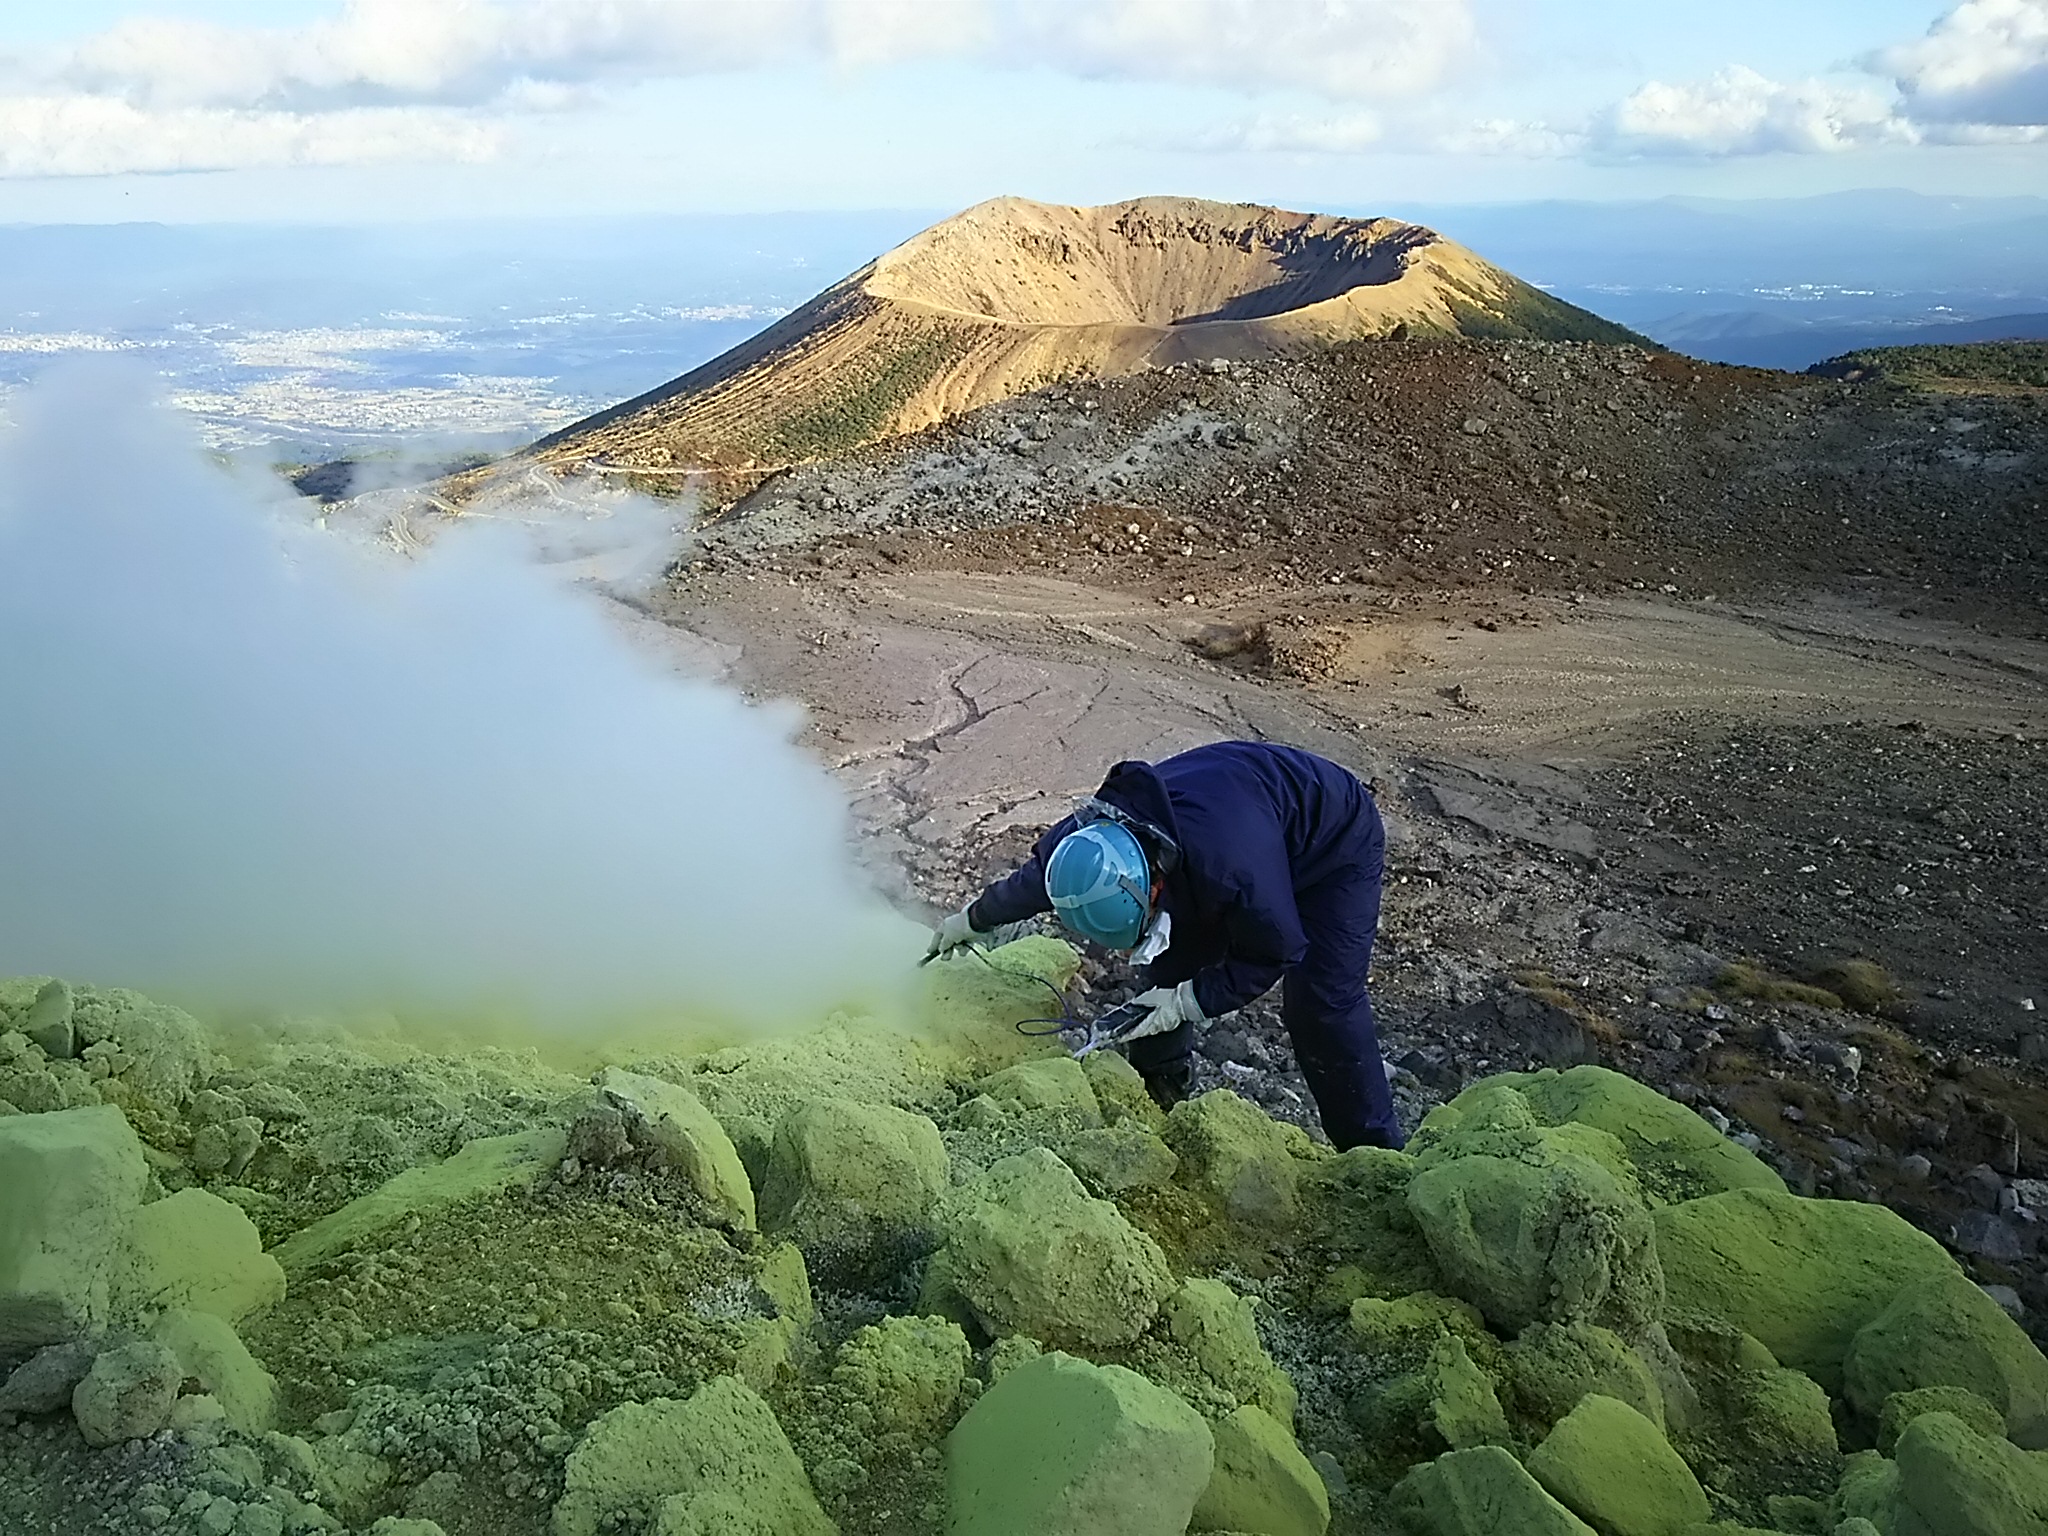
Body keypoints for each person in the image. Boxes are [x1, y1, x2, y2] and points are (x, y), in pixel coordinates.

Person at [926, 740, 1401, 1150]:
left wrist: (1189, 1002)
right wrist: (971, 919)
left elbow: (1274, 950)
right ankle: (1162, 1094)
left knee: (1320, 1003)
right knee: (1168, 962)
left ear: (1151, 885)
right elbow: (1036, 884)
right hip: (1238, 822)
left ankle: (1374, 1150)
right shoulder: (1086, 848)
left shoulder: (1229, 869)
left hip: (1334, 838)